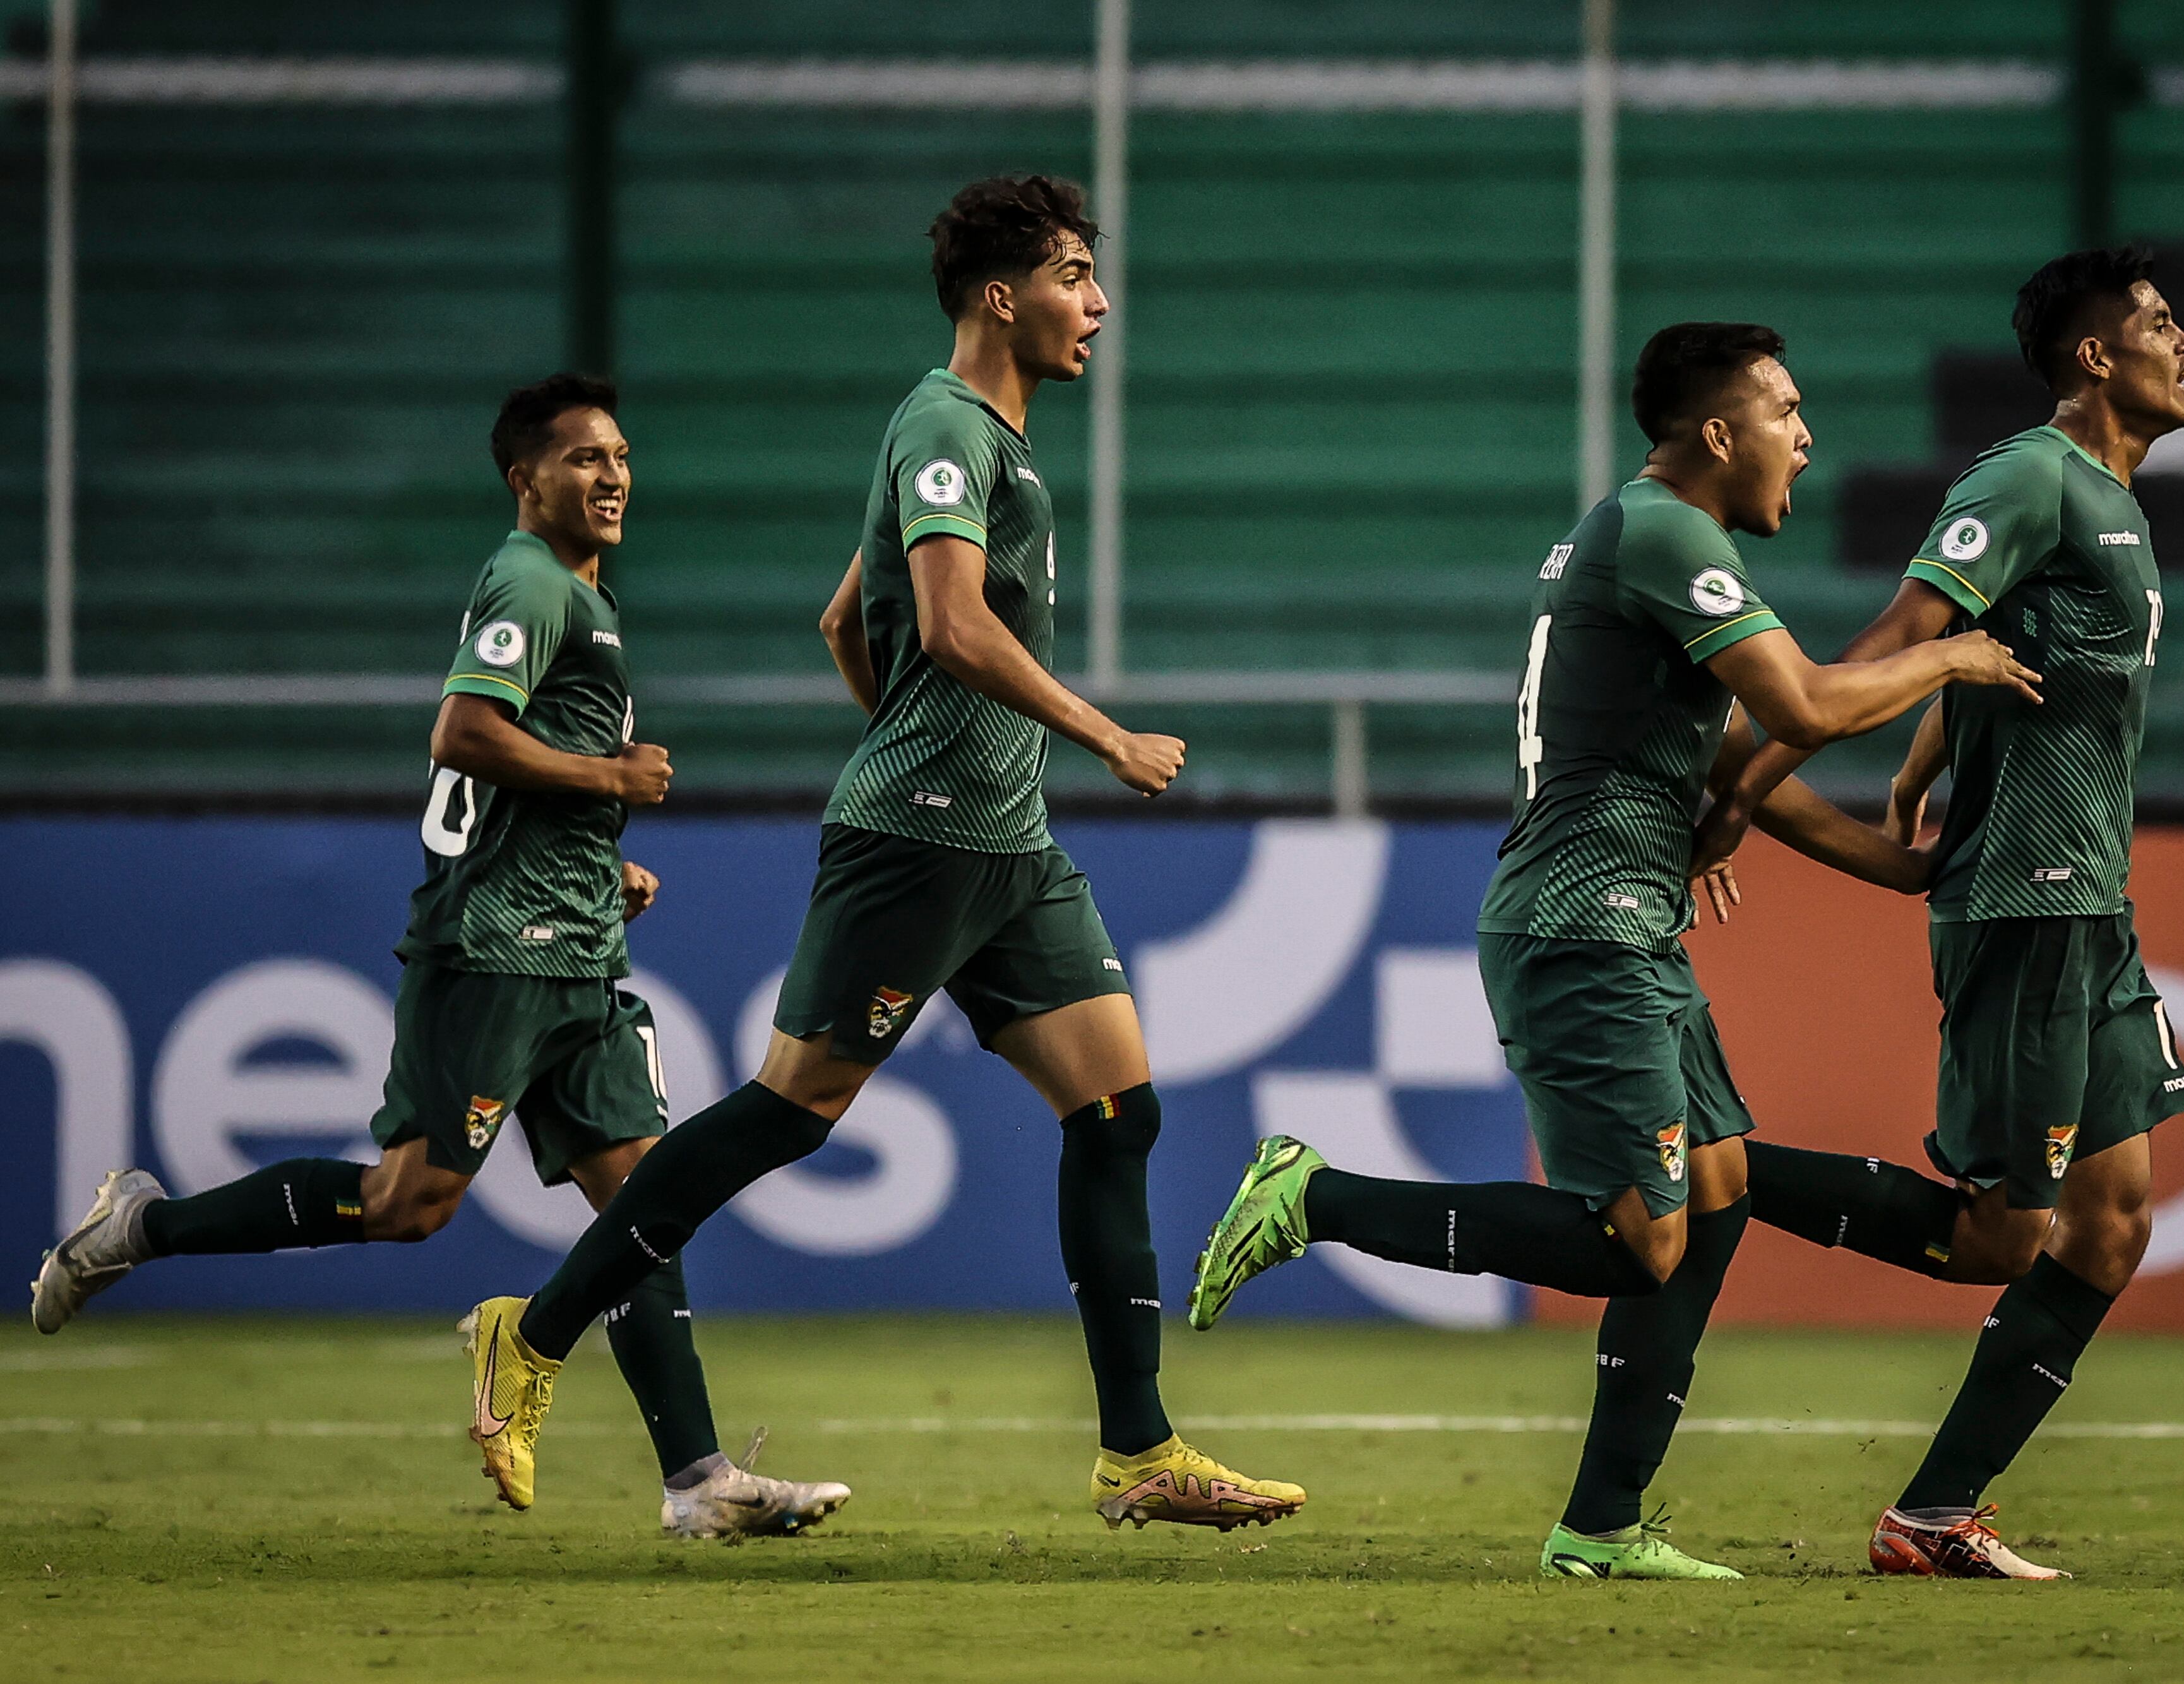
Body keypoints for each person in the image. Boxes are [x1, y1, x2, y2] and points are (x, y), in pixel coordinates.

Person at [460, 177, 1304, 1533]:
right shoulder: (946, 425)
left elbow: (845, 617)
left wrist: (931, 734)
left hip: (1007, 844)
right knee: (790, 1113)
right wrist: (1098, 735)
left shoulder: (988, 441)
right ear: (1000, 298)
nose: (1098, 303)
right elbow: (950, 626)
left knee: (1118, 1109)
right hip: (921, 839)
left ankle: (1138, 1451)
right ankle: (537, 1331)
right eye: (1073, 276)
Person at [1186, 323, 2040, 1579]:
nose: (1806, 438)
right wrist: (1947, 651)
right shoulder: (1663, 533)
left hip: (1628, 923)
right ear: (1718, 433)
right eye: (1786, 411)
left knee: (1717, 1185)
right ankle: (1313, 1196)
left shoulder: (1643, 540)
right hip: (1578, 926)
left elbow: (1732, 756)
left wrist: (1895, 865)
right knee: (1636, 1239)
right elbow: (1804, 704)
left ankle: (1599, 1524)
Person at [30, 374, 849, 1539]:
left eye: (621, 456)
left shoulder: (580, 594)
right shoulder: (530, 581)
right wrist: (611, 779)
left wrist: (599, 855)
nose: (613, 476)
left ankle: (698, 1482)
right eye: (584, 459)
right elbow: (464, 731)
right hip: (495, 952)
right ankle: (142, 1226)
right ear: (526, 479)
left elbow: (505, 774)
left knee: (643, 1206)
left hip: (573, 947)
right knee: (410, 1203)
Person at [1693, 246, 2184, 1579]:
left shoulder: (2112, 500)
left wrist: (1925, 758)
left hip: (2091, 901)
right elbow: (1901, 632)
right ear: (2095, 356)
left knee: (2113, 1219)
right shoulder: (2029, 477)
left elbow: (2005, 651)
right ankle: (1711, 1167)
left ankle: (1933, 1514)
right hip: (2025, 898)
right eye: (2159, 324)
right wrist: (1743, 786)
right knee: (1998, 1236)